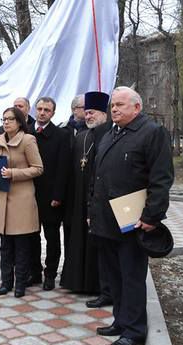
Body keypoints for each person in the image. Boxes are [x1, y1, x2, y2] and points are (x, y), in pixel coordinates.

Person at [89, 86, 174, 345]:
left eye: (120, 105)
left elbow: (161, 178)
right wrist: (92, 212)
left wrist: (152, 216)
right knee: (114, 276)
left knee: (132, 277)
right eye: (112, 105)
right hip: (105, 218)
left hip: (133, 221)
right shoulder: (110, 133)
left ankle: (135, 331)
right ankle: (121, 320)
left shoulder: (151, 133)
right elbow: (98, 176)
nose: (114, 109)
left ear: (136, 107)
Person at [0, 107, 43, 297]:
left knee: (22, 246)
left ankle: (21, 284)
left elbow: (38, 168)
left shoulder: (28, 140)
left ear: (19, 121)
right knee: (5, 245)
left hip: (21, 200)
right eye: (4, 119)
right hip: (2, 198)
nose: (6, 122)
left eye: (10, 119)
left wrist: (13, 173)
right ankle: (6, 282)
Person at [61, 91, 113, 305]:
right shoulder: (82, 137)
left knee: (97, 246)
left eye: (92, 112)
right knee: (78, 240)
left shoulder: (110, 136)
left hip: (100, 202)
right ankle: (77, 281)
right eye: (87, 112)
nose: (89, 116)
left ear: (103, 113)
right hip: (78, 201)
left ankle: (100, 287)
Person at [29, 97, 71, 291]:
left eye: (47, 109)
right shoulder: (26, 133)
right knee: (31, 236)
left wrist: (59, 196)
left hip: (50, 197)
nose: (42, 112)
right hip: (28, 195)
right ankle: (34, 271)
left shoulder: (61, 136)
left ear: (53, 113)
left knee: (52, 237)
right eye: (39, 109)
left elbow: (63, 168)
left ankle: (50, 274)